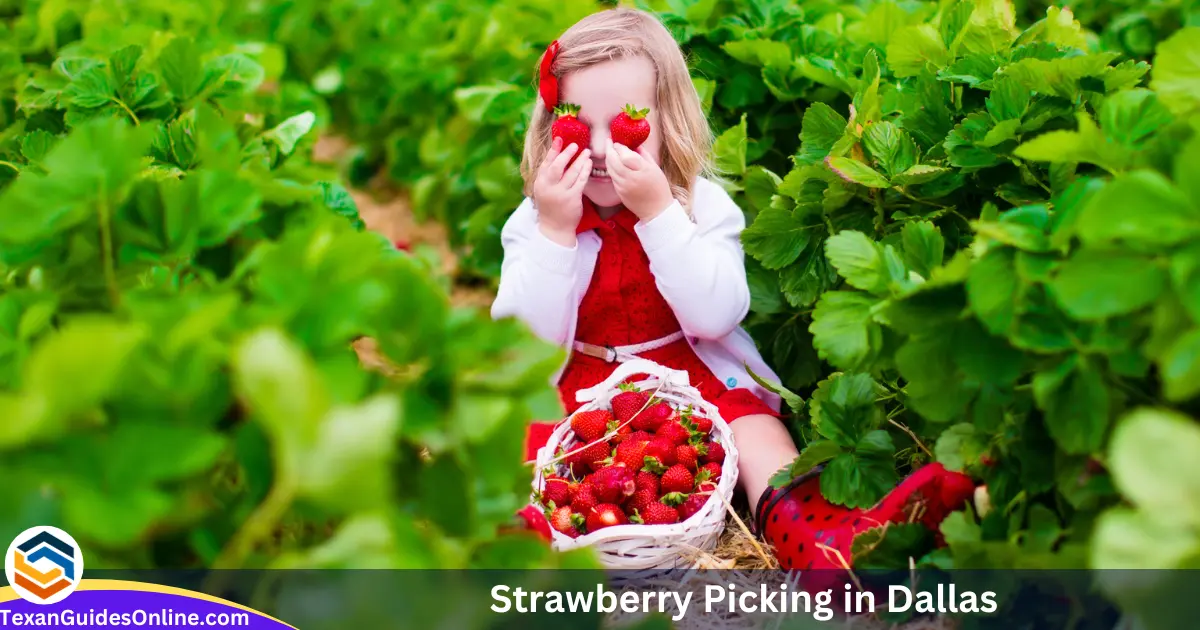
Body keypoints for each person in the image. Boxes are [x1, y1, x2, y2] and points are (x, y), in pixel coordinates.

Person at [492, 7, 975, 571]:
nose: (600, 147)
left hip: (692, 377)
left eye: (625, 119)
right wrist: (554, 230)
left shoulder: (699, 207)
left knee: (758, 432)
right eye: (575, 119)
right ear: (551, 124)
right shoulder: (535, 222)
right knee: (523, 441)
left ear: (667, 120)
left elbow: (716, 316)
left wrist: (658, 215)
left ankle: (823, 546)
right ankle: (518, 546)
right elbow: (524, 347)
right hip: (585, 386)